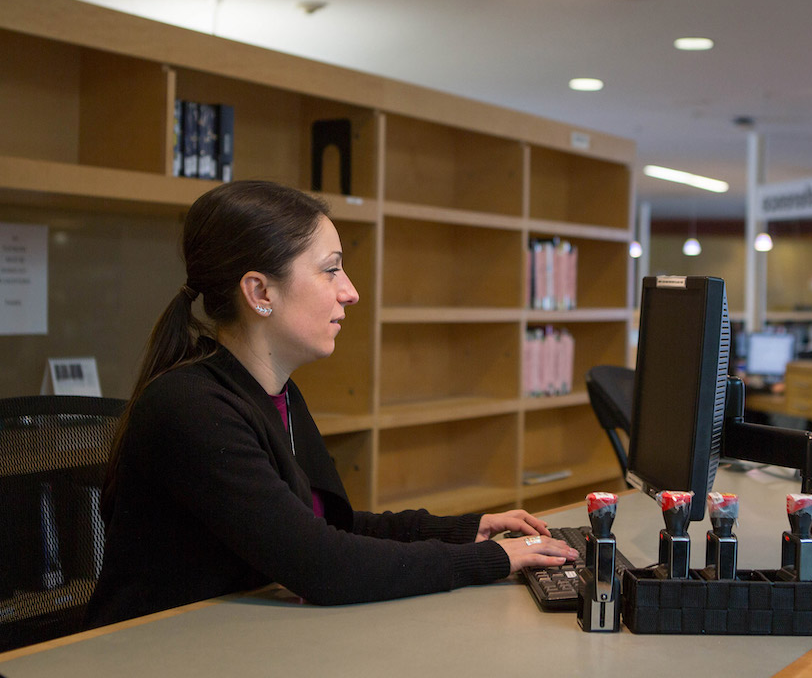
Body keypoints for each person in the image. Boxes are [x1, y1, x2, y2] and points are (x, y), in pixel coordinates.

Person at [85, 181, 576, 629]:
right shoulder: (190, 407)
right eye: (330, 270)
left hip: (240, 639)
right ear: (259, 292)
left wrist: (466, 530)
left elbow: (329, 528)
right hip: (159, 651)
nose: (351, 291)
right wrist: (497, 560)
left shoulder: (277, 392)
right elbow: (325, 566)